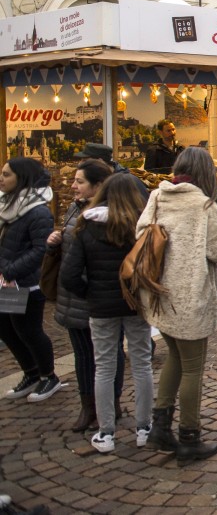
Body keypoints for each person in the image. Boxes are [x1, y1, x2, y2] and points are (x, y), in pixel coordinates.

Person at [137, 147, 217, 464]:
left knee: (174, 360)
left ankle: (160, 428)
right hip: (191, 296)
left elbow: (140, 234)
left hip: (159, 293)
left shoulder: (156, 197)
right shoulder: (204, 205)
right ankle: (189, 435)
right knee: (192, 367)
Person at [59, 173, 153, 453]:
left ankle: (106, 432)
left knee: (104, 366)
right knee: (141, 363)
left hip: (100, 307)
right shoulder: (142, 226)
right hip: (135, 303)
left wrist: (90, 293)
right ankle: (144, 427)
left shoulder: (86, 226)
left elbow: (69, 274)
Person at [49, 158, 118, 433]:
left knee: (106, 355)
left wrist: (86, 288)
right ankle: (89, 406)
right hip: (73, 296)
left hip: (92, 295)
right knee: (83, 355)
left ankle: (107, 407)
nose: (73, 185)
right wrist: (54, 242)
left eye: (80, 182)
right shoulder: (72, 209)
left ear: (98, 186)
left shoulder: (109, 215)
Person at [0, 158, 59, 403]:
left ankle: (49, 376)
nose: (1, 178)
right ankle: (31, 373)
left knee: (28, 329)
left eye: (6, 174)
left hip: (27, 283)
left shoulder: (38, 211)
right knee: (7, 328)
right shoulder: (6, 205)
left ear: (21, 178)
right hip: (9, 282)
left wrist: (12, 271)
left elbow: (40, 250)